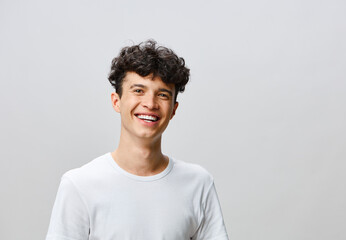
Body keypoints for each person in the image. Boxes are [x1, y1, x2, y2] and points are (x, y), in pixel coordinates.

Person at [46, 40, 229, 240]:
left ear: (173, 110)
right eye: (138, 91)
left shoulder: (198, 184)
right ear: (117, 101)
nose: (150, 104)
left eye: (162, 95)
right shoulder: (79, 185)